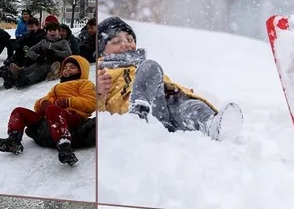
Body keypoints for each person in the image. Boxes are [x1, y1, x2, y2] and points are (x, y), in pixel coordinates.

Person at [97, 16, 240, 141]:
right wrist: (99, 95)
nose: (125, 44)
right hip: (141, 111)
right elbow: (100, 119)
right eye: (116, 41)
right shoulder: (102, 73)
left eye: (130, 39)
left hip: (166, 105)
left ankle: (211, 125)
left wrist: (183, 93)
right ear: (101, 51)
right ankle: (139, 115)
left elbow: (165, 83)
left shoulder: (140, 65)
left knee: (191, 107)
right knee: (150, 66)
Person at [0, 55, 95, 165]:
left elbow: (92, 102)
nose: (67, 70)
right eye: (65, 68)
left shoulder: (85, 84)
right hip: (50, 116)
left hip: (72, 116)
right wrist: (43, 103)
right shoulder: (57, 87)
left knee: (52, 109)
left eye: (72, 67)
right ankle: (13, 140)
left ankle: (64, 146)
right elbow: (39, 104)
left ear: (82, 70)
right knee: (19, 111)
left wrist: (69, 101)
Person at [1, 21, 72, 89]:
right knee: (31, 68)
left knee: (39, 71)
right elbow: (29, 50)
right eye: (50, 30)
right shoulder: (43, 41)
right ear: (47, 32)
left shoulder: (63, 42)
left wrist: (54, 52)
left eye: (54, 30)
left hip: (52, 63)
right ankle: (15, 77)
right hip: (42, 60)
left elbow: (68, 53)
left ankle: (27, 80)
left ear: (58, 31)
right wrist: (37, 57)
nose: (52, 32)